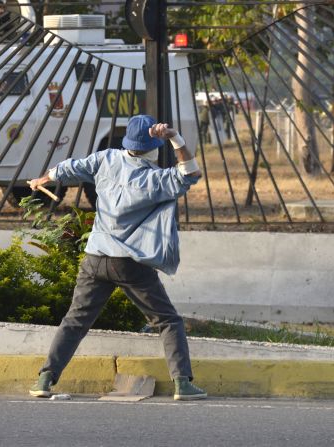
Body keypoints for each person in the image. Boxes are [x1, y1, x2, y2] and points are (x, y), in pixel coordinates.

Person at [27, 114, 207, 401]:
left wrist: (43, 178)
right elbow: (189, 173)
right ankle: (182, 383)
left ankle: (45, 379)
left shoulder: (107, 159)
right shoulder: (155, 179)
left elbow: (69, 168)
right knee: (168, 321)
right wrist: (175, 138)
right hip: (130, 263)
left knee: (75, 320)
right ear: (153, 147)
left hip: (95, 257)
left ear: (127, 142)